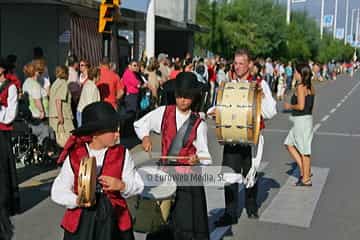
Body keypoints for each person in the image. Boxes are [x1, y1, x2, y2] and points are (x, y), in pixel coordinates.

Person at [134, 72, 211, 240]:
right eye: (179, 96)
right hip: (166, 174)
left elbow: (206, 155)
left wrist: (197, 158)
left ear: (194, 97)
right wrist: (145, 137)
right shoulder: (163, 112)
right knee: (162, 219)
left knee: (185, 223)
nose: (182, 100)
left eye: (187, 96)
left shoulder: (199, 123)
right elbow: (140, 124)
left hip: (188, 180)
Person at [51, 101, 144, 240]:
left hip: (113, 219)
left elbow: (138, 184)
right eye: (112, 130)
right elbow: (58, 190)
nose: (117, 134)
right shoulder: (76, 155)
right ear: (95, 134)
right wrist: (77, 200)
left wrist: (122, 186)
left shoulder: (122, 154)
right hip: (82, 221)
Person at [209, 49, 277, 226]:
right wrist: (214, 113)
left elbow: (271, 112)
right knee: (229, 175)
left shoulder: (260, 84)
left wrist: (260, 97)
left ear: (249, 65)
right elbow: (218, 106)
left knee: (250, 174)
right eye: (236, 63)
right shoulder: (228, 84)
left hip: (251, 137)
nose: (237, 67)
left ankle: (251, 206)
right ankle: (230, 213)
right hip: (232, 137)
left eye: (241, 63)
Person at [284, 63, 315, 187]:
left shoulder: (300, 87)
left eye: (296, 72)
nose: (294, 74)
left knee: (304, 150)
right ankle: (304, 170)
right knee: (289, 143)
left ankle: (306, 178)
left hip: (301, 121)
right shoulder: (311, 87)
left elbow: (301, 106)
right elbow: (310, 106)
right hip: (306, 120)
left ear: (300, 74)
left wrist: (289, 106)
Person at [0, 59, 19, 240]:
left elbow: (10, 115)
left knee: (2, 170)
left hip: (2, 133)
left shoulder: (10, 87)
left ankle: (4, 203)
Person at [49, 66, 74, 141]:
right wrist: (60, 116)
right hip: (63, 115)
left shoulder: (55, 83)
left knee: (57, 138)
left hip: (53, 115)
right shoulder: (63, 83)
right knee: (70, 138)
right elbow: (58, 100)